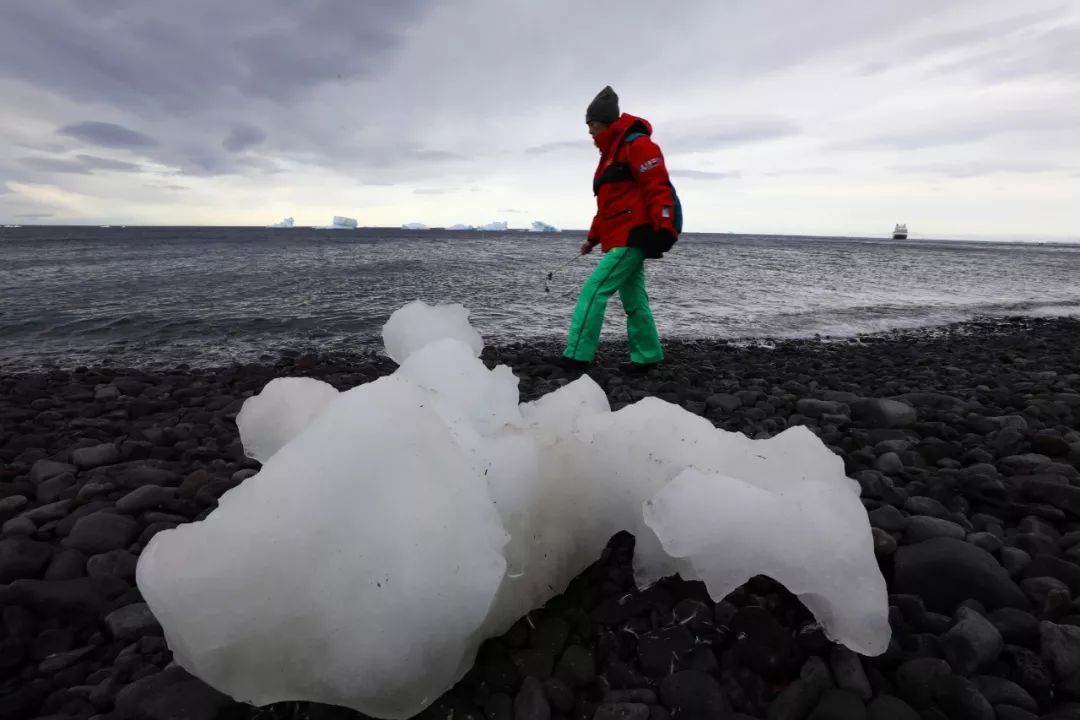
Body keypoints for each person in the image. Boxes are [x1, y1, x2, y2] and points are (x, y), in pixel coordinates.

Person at [558, 86, 680, 375]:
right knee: (635, 299)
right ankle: (648, 356)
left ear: (607, 121)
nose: (588, 129)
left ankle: (577, 356)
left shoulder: (637, 146)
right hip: (618, 237)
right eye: (587, 123)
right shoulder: (609, 155)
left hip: (634, 235)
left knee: (593, 291)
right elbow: (608, 206)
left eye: (592, 123)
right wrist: (592, 238)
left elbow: (657, 187)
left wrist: (663, 226)